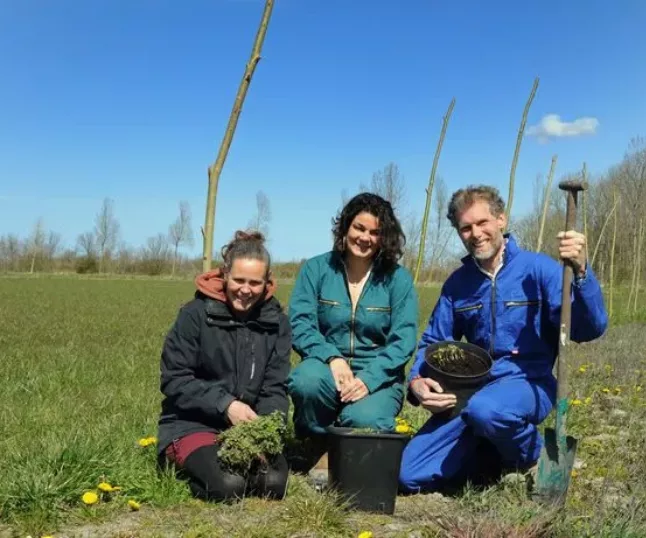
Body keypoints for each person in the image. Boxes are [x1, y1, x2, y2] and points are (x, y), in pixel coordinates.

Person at [398, 185, 608, 493]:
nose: (475, 233)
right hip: (472, 392)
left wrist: (581, 272)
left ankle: (537, 458)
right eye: (465, 228)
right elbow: (434, 341)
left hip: (528, 383)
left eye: (482, 223)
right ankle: (494, 453)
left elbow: (589, 328)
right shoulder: (458, 284)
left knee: (488, 411)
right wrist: (416, 381)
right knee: (409, 474)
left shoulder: (539, 270)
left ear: (501, 220)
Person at [156, 230, 291, 501]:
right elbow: (175, 379)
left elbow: (275, 387)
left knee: (274, 484)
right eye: (239, 280)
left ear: (267, 283)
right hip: (191, 423)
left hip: (244, 427)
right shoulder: (194, 315)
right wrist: (225, 405)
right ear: (225, 275)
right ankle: (181, 466)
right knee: (229, 486)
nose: (245, 289)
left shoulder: (277, 322)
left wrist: (265, 431)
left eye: (254, 282)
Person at [287, 192, 419, 469]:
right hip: (327, 367)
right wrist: (330, 357)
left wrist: (369, 379)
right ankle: (315, 443)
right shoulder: (316, 269)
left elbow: (403, 340)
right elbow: (300, 323)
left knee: (364, 420)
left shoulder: (398, 279)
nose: (365, 237)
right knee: (306, 381)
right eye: (359, 227)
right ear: (346, 226)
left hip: (377, 375)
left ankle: (345, 443)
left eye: (375, 232)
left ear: (384, 238)